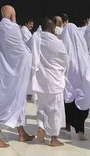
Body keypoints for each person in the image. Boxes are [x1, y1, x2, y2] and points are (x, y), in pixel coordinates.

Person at [0, 5, 34, 148]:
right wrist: (31, 56)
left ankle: (22, 133)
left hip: (3, 71)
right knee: (10, 102)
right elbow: (20, 51)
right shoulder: (12, 28)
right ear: (13, 16)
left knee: (18, 102)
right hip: (12, 74)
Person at [61, 20, 90, 141]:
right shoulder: (83, 52)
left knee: (68, 105)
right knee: (81, 107)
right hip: (81, 86)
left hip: (68, 87)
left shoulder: (63, 51)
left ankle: (67, 125)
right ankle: (80, 130)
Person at [29, 17, 68, 147]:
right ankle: (53, 138)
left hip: (40, 80)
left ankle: (41, 126)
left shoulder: (36, 39)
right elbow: (64, 61)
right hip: (54, 81)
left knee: (42, 107)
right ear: (52, 28)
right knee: (54, 110)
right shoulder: (58, 43)